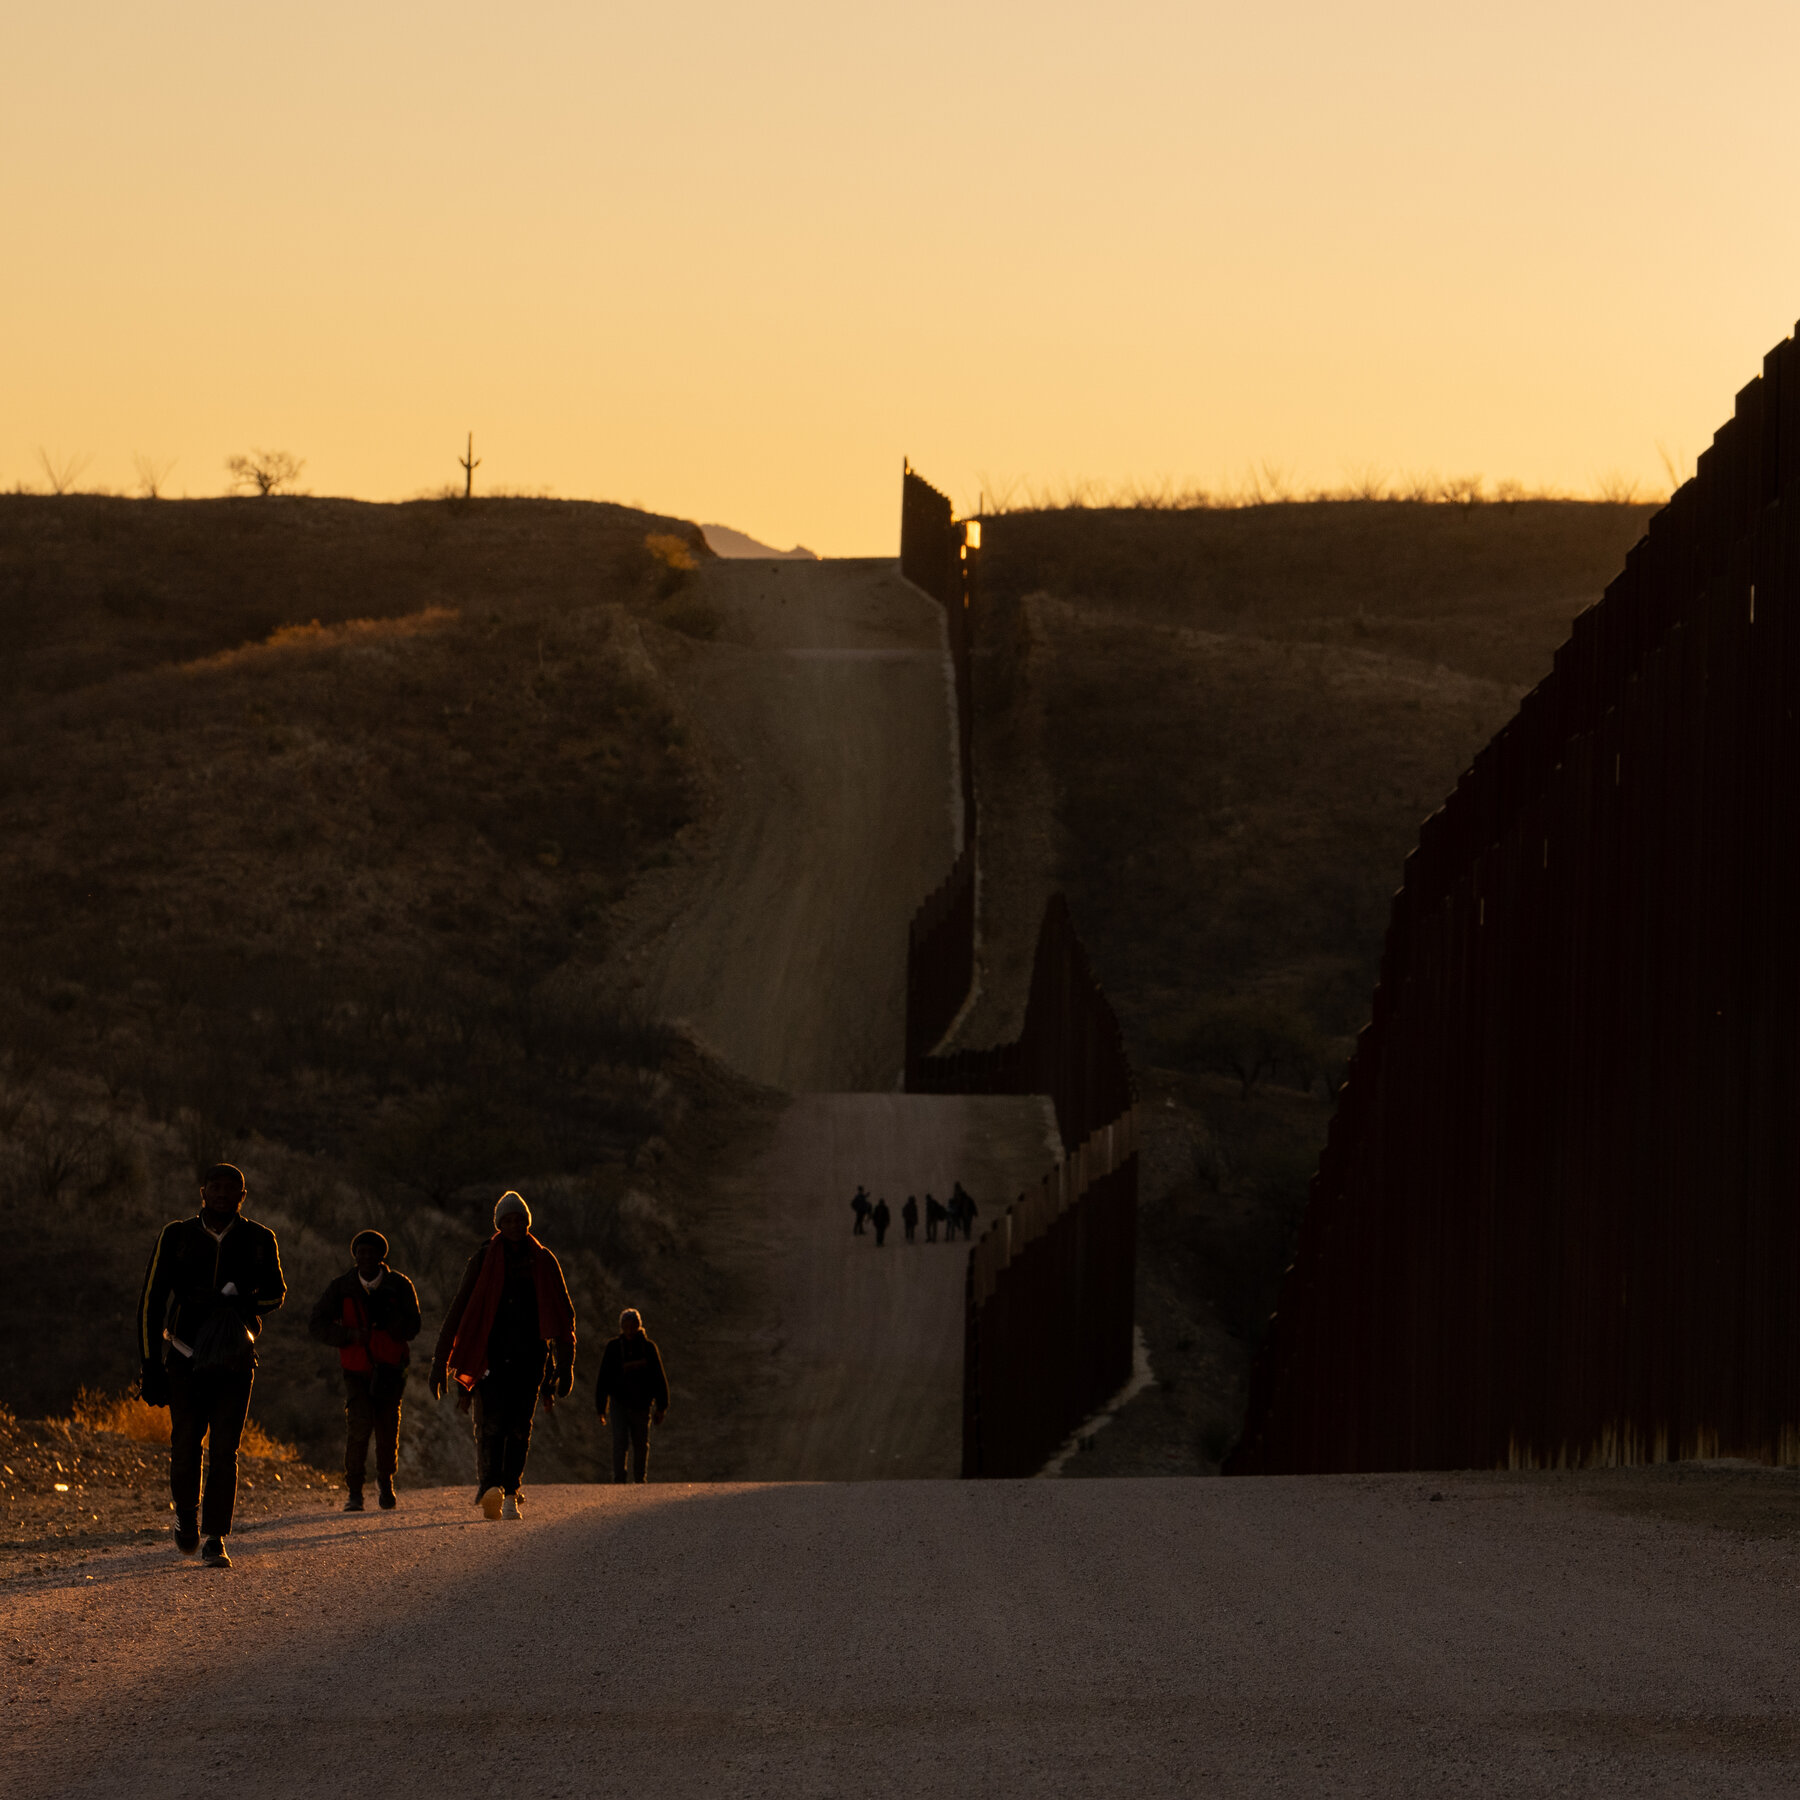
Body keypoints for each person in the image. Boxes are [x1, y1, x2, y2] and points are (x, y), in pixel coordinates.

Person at [137, 1163, 286, 1569]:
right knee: (185, 1444)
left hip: (236, 1361)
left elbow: (277, 1294)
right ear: (202, 1192)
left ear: (243, 1196)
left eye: (231, 1189)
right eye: (215, 1187)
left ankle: (216, 1536)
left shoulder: (260, 1239)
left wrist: (242, 1305)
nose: (222, 1194)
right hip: (183, 1356)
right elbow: (152, 1302)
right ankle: (186, 1516)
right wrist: (150, 1365)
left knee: (225, 1449)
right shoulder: (176, 1235)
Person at [430, 1191, 576, 1521]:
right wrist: (440, 1362)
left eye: (519, 1220)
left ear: (527, 1223)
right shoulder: (483, 1260)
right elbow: (459, 1309)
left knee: (519, 1427)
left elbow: (563, 1315)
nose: (514, 1226)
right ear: (498, 1224)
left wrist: (565, 1366)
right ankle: (491, 1487)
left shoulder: (543, 1260)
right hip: (489, 1356)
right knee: (492, 1424)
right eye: (507, 1220)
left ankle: (510, 1492)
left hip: (531, 1358)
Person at [308, 1230, 422, 1512]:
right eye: (361, 1253)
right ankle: (355, 1492)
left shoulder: (399, 1286)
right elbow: (316, 1325)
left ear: (382, 1256)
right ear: (355, 1256)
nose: (366, 1257)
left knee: (387, 1430)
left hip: (391, 1370)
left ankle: (385, 1484)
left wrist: (389, 1321)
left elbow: (413, 1327)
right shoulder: (341, 1287)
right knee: (358, 1428)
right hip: (355, 1370)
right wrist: (349, 1336)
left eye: (372, 1252)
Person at [593, 1308, 670, 1483]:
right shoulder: (613, 1348)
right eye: (626, 1326)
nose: (629, 1330)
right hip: (618, 1404)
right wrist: (601, 1408)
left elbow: (659, 1378)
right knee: (620, 1443)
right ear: (621, 1327)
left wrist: (661, 1406)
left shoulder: (649, 1348)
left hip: (642, 1405)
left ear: (638, 1326)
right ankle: (619, 1480)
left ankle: (639, 1480)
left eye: (632, 1326)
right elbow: (603, 1379)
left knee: (640, 1445)